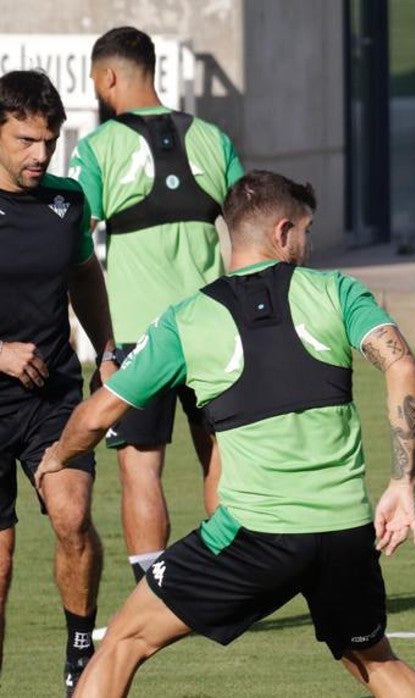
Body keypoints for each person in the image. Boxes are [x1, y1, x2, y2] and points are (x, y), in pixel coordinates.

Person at [34, 170, 415, 698]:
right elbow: (402, 367)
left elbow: (96, 416)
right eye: (307, 231)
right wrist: (402, 483)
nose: (307, 243)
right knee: (376, 660)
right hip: (344, 531)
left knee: (123, 641)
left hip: (252, 538)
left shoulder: (186, 320)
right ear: (283, 231)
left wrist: (58, 457)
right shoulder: (339, 291)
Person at [68, 26, 244, 583]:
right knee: (219, 455)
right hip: (213, 332)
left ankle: (153, 590)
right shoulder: (215, 140)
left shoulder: (98, 148)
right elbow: (250, 231)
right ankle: (226, 584)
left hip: (139, 339)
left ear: (110, 77)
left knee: (141, 468)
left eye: (97, 81)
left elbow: (71, 241)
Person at [0, 70, 113, 696]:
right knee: (2, 562)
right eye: (24, 141)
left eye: (49, 140)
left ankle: (79, 653)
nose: (40, 154)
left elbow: (84, 276)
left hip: (52, 399)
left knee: (72, 517)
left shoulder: (66, 201)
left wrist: (108, 350)